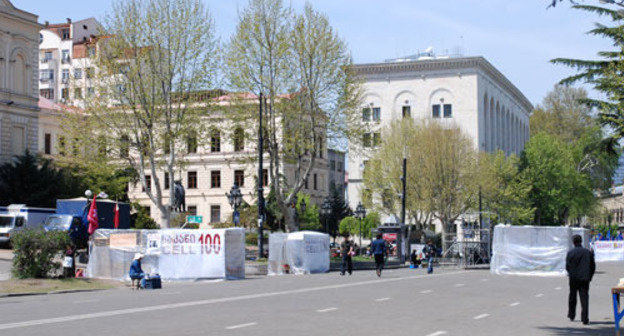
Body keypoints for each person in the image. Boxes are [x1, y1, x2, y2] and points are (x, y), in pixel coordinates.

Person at [566, 234, 595, 325]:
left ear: (573, 242)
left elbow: (567, 266)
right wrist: (590, 276)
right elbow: (593, 266)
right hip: (584, 278)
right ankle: (585, 318)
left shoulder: (570, 253)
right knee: (584, 298)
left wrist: (570, 273)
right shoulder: (587, 252)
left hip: (574, 278)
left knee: (572, 297)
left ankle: (571, 314)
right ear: (581, 241)